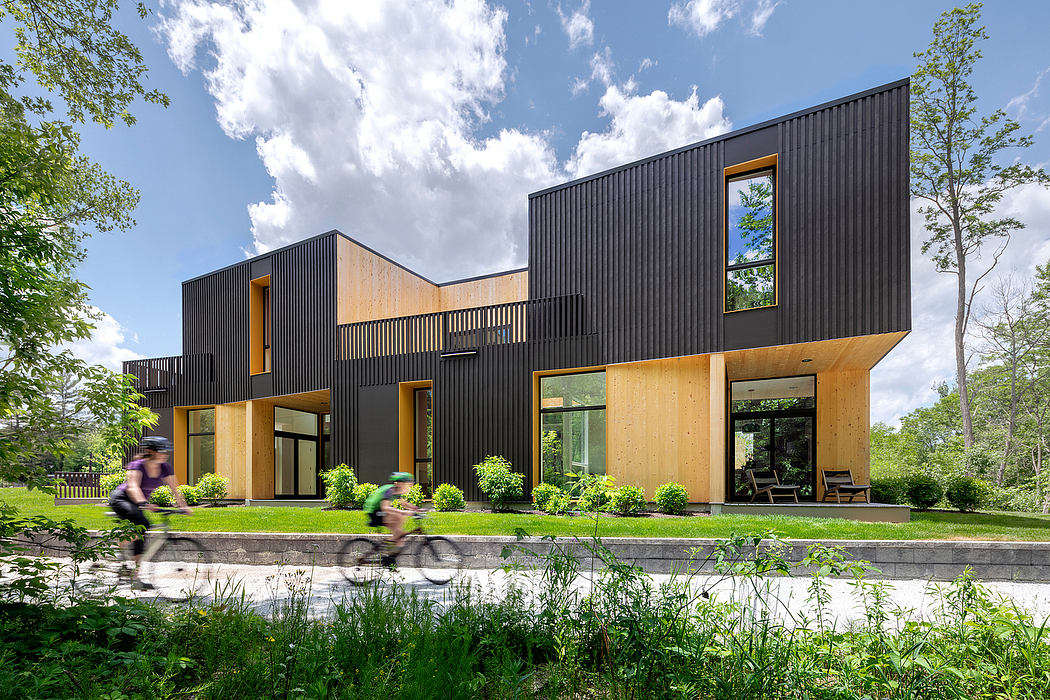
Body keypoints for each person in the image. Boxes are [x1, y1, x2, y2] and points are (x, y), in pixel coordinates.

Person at [108, 435, 192, 589]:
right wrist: (144, 503)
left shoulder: (165, 467)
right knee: (143, 523)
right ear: (151, 451)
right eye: (162, 451)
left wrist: (183, 506)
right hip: (121, 499)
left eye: (166, 452)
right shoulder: (137, 465)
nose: (165, 455)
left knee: (142, 535)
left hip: (138, 503)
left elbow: (175, 488)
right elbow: (133, 486)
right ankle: (116, 547)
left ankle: (135, 579)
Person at [362, 472, 422, 561]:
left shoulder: (397, 491)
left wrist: (417, 509)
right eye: (408, 484)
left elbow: (404, 504)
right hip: (373, 511)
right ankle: (387, 553)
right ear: (401, 484)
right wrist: (404, 512)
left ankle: (390, 558)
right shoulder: (390, 490)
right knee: (399, 518)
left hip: (380, 511)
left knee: (399, 537)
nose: (410, 487)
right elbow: (385, 507)